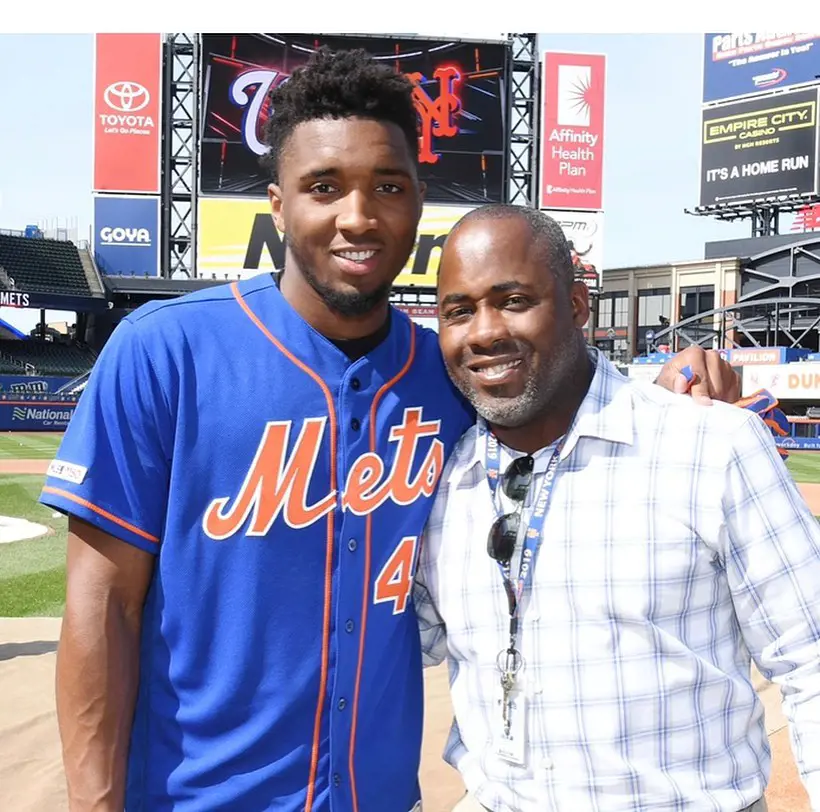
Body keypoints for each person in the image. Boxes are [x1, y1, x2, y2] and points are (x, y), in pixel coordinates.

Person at [41, 48, 740, 812]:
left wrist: (670, 384)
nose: (359, 216)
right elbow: (102, 606)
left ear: (417, 204)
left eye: (388, 187)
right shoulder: (165, 351)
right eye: (323, 188)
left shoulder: (447, 374)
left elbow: (564, 401)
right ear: (277, 206)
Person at [414, 204, 820, 812]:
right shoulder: (441, 480)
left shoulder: (712, 445)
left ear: (577, 306)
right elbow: (388, 649)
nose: (483, 330)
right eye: (458, 311)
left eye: (514, 299)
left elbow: (810, 660)